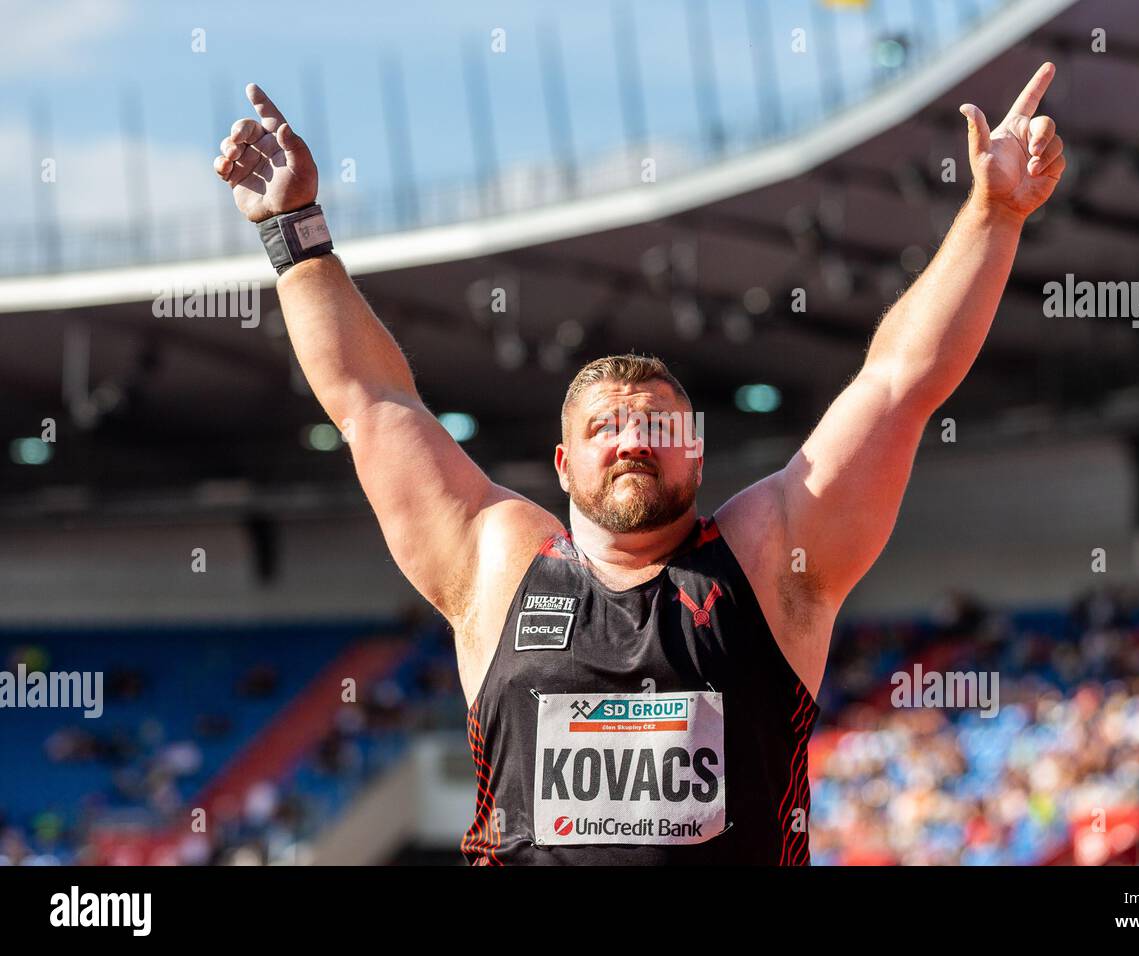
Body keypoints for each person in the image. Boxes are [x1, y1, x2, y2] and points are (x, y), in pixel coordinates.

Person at [211, 63, 1066, 864]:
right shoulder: (496, 563)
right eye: (606, 429)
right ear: (562, 460)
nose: (632, 441)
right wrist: (294, 232)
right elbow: (371, 403)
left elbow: (897, 387)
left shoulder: (773, 559)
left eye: (659, 426)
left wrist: (992, 216)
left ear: (697, 451)